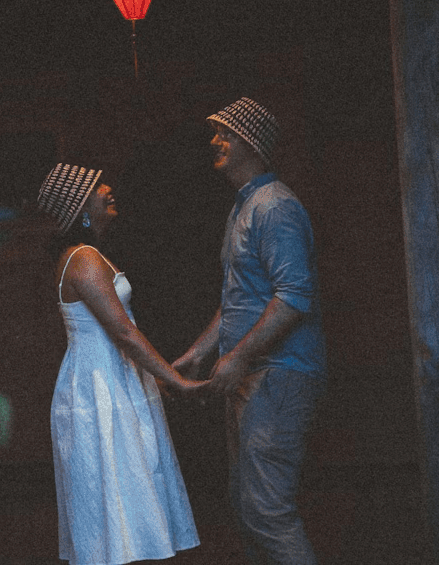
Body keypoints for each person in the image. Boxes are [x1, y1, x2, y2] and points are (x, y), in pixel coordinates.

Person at [172, 98, 326, 565]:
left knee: (266, 510)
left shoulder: (276, 207)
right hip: (251, 374)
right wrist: (201, 350)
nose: (215, 141)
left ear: (251, 144)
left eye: (226, 134)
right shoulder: (243, 207)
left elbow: (294, 297)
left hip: (278, 374)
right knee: (246, 505)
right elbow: (239, 297)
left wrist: (236, 357)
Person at [38, 162, 201, 564]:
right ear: (81, 207)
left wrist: (153, 378)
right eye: (96, 186)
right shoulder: (84, 259)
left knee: (131, 490)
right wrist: (175, 380)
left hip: (114, 378)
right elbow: (124, 332)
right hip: (100, 387)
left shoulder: (90, 255)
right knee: (113, 492)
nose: (108, 188)